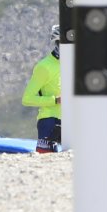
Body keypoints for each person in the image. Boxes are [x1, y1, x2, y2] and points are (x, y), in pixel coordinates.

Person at [21, 24, 63, 153]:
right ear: (57, 43)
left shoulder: (75, 64)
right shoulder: (44, 67)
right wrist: (55, 100)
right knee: (47, 162)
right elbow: (27, 99)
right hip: (49, 121)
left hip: (70, 119)